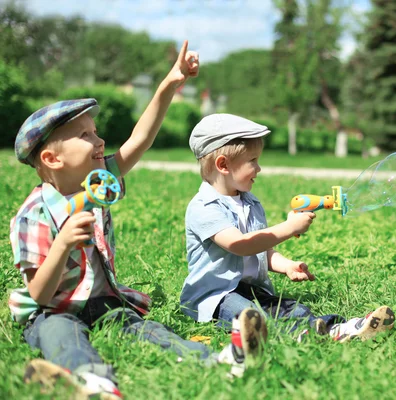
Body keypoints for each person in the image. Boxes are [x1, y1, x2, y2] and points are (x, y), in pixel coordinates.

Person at [8, 42, 266, 400]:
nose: (99, 140)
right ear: (52, 159)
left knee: (150, 332)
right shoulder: (33, 215)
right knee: (60, 335)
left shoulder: (99, 182)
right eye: (85, 136)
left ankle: (223, 360)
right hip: (53, 310)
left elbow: (139, 141)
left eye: (95, 131)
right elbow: (39, 294)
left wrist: (170, 84)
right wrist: (63, 243)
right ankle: (91, 383)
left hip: (104, 302)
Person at [180, 113, 396, 343]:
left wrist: (286, 266)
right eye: (252, 160)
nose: (259, 168)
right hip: (215, 297)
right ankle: (303, 335)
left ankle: (341, 328)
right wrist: (289, 227)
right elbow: (239, 245)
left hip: (252, 289)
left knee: (293, 308)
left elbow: (262, 250)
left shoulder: (250, 202)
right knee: (251, 318)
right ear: (223, 165)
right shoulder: (204, 207)